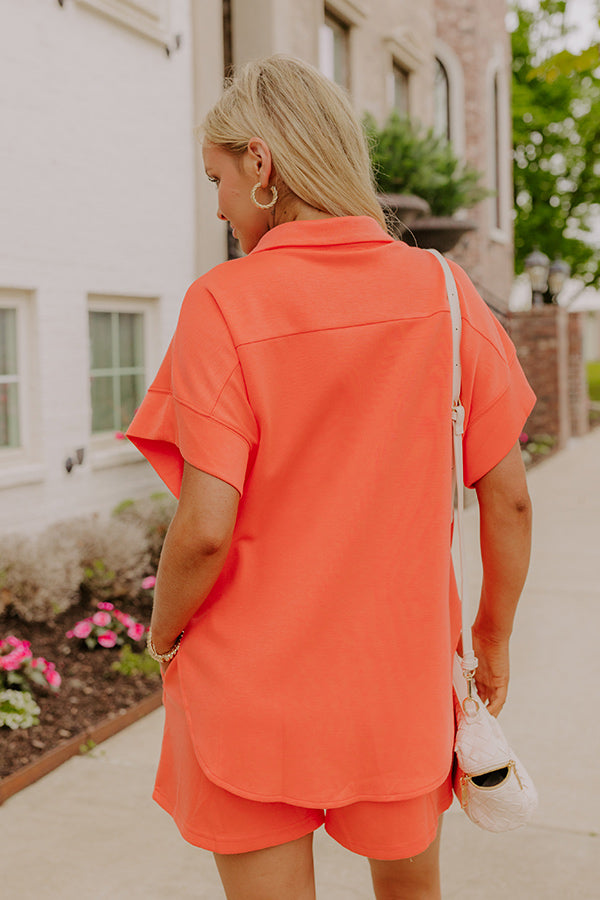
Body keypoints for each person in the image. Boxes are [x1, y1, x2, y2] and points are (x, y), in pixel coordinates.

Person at [127, 55, 534, 900]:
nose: (218, 207)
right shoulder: (446, 293)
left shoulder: (223, 303)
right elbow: (510, 498)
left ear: (261, 163)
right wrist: (491, 637)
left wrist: (162, 636)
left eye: (217, 179)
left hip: (250, 693)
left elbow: (203, 530)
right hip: (397, 687)